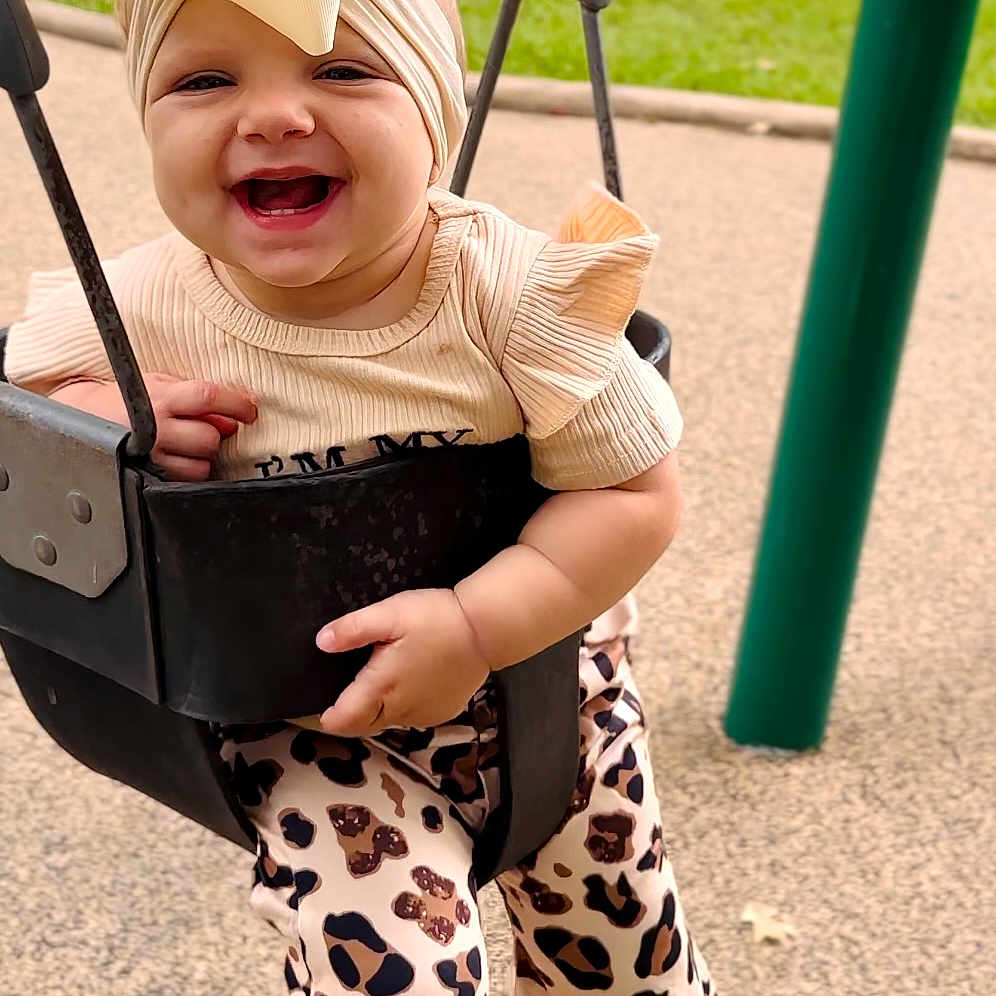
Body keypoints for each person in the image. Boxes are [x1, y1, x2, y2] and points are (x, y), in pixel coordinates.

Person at [5, 0, 713, 992]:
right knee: (389, 973)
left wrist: (475, 625)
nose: (275, 117)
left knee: (624, 950)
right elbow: (14, 420)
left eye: (342, 73)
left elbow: (636, 493)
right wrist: (96, 411)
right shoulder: (133, 308)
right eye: (206, 81)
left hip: (541, 675)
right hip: (303, 717)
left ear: (433, 115)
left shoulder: (511, 292)